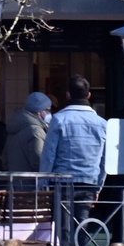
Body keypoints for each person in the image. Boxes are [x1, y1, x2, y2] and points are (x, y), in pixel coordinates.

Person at [40, 75, 108, 234]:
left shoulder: (58, 120)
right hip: (89, 181)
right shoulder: (102, 124)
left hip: (62, 180)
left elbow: (49, 154)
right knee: (82, 227)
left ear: (68, 95)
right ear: (89, 95)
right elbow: (105, 160)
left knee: (63, 227)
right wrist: (99, 184)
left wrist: (44, 181)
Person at [6, 93, 53, 178]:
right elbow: (39, 162)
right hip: (31, 185)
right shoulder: (36, 131)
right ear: (40, 112)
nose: (49, 113)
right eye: (48, 110)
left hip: (15, 182)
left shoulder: (15, 127)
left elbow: (5, 160)